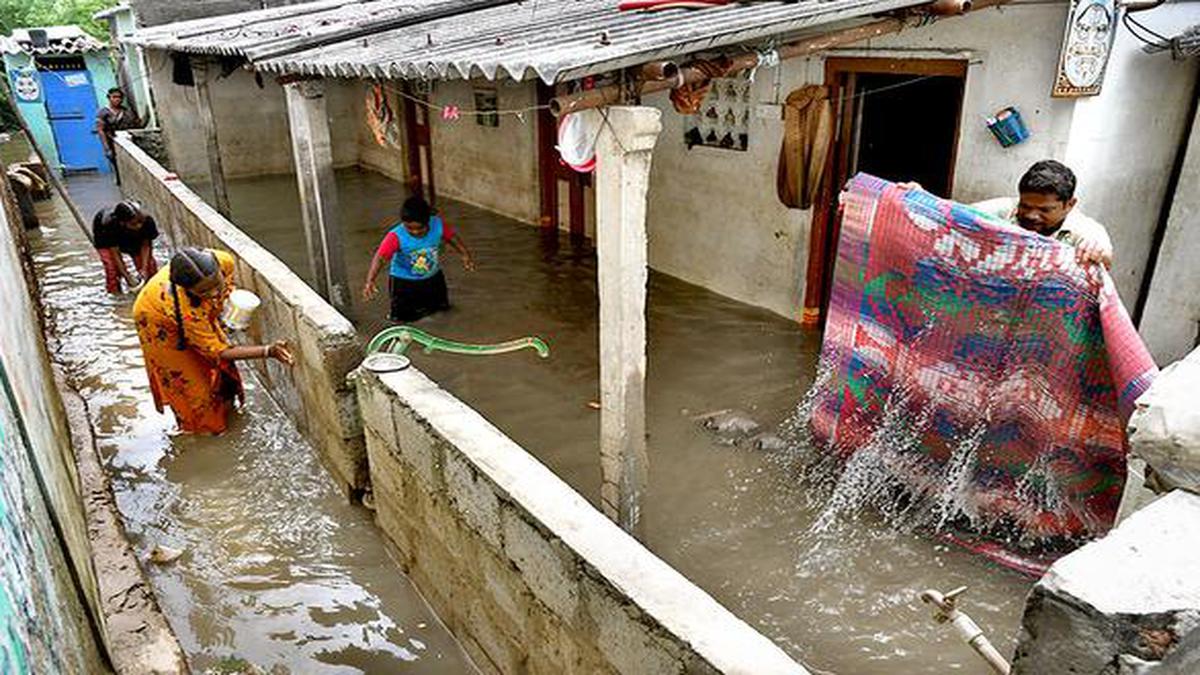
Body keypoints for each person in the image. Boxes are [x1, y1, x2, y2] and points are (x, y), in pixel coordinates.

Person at [133, 247, 294, 434]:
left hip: (190, 312)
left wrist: (226, 303)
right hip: (158, 324)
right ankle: (203, 433)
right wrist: (268, 351)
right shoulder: (185, 309)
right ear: (188, 290)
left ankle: (227, 409)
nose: (214, 293)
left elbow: (223, 290)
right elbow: (218, 352)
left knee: (221, 373)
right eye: (204, 292)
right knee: (193, 390)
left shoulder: (224, 261)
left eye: (217, 284)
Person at [972, 160, 1112, 268]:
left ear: (1069, 205)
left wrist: (1097, 252)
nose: (1031, 216)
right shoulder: (1002, 209)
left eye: (1045, 210)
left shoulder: (1086, 229)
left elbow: (1104, 254)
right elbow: (954, 215)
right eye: (1025, 206)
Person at [361, 195, 476, 322]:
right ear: (403, 223)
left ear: (428, 221)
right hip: (403, 282)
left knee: (441, 311)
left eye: (420, 228)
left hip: (433, 278)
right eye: (409, 228)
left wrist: (465, 254)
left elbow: (452, 238)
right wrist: (370, 280)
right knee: (401, 319)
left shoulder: (437, 224)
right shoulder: (395, 236)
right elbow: (380, 258)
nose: (415, 232)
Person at [93, 201, 158, 294]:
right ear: (122, 223)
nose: (139, 226)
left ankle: (153, 292)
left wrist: (143, 269)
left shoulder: (147, 221)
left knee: (150, 267)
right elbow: (115, 253)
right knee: (112, 270)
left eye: (140, 222)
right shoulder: (110, 224)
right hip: (104, 237)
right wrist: (126, 275)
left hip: (134, 239)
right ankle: (116, 297)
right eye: (133, 224)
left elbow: (146, 245)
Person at [95, 88, 143, 182]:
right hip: (112, 141)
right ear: (109, 98)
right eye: (114, 97)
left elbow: (136, 125)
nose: (117, 99)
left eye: (119, 97)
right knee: (118, 166)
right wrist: (107, 148)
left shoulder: (127, 111)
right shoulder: (104, 112)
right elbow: (100, 130)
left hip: (128, 141)